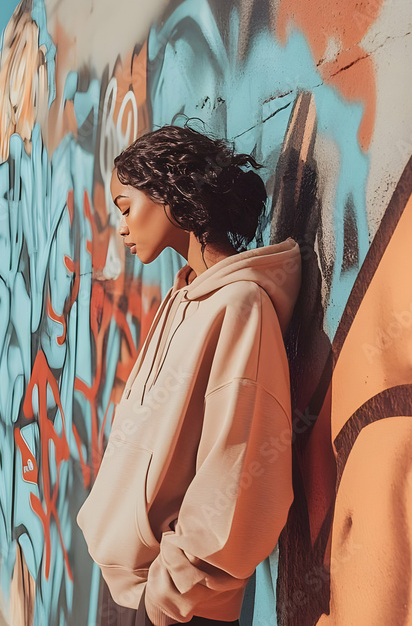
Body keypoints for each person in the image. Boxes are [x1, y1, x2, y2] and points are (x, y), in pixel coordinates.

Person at [76, 124, 302, 626]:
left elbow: (236, 471)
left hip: (178, 607)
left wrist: (170, 595)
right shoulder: (182, 298)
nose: (122, 227)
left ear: (169, 195)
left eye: (125, 207)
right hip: (135, 589)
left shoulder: (240, 306)